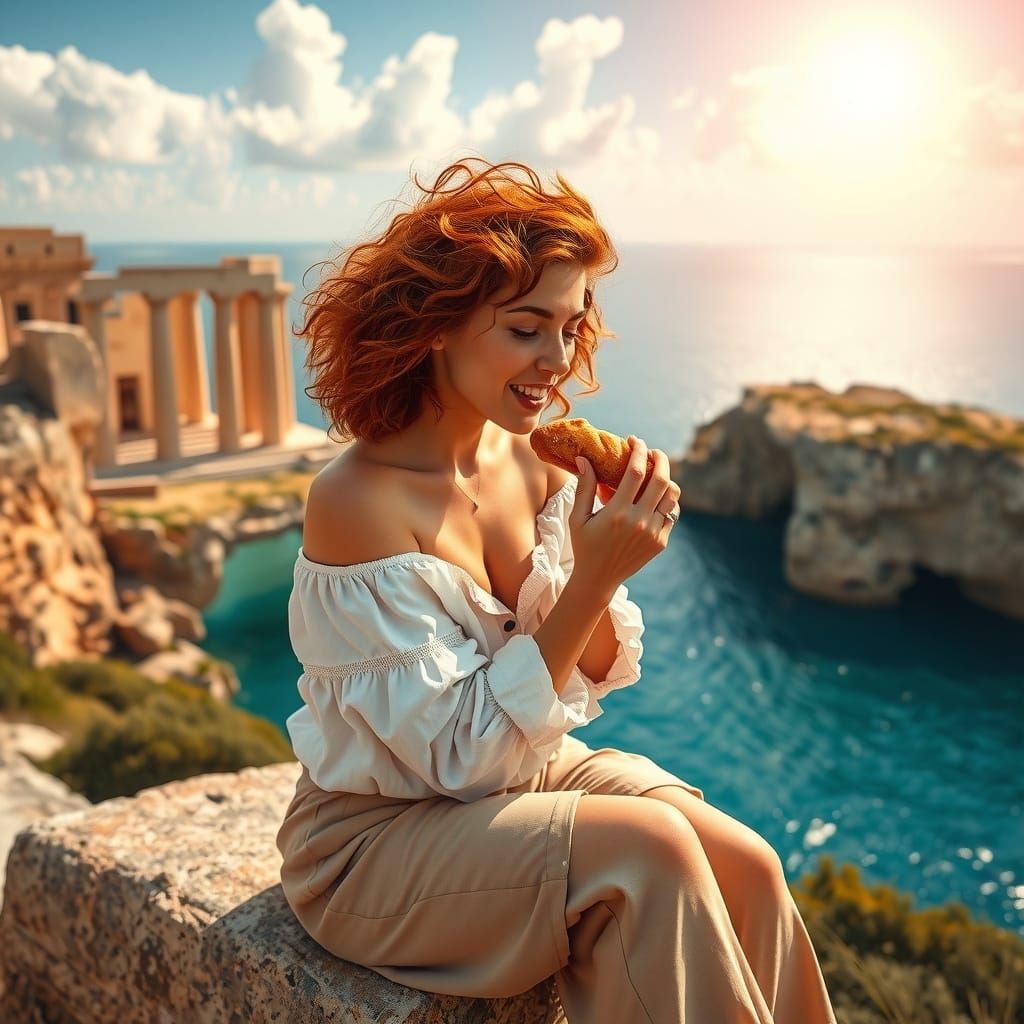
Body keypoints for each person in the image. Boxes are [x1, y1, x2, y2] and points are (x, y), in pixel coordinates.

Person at [275, 156, 837, 1023]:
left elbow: (596, 667)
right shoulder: (357, 501)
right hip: (374, 843)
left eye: (570, 328)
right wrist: (595, 577)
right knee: (646, 853)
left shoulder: (536, 459)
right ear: (437, 325)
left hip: (515, 783)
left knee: (749, 865)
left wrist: (603, 552)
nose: (556, 359)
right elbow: (460, 763)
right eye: (526, 328)